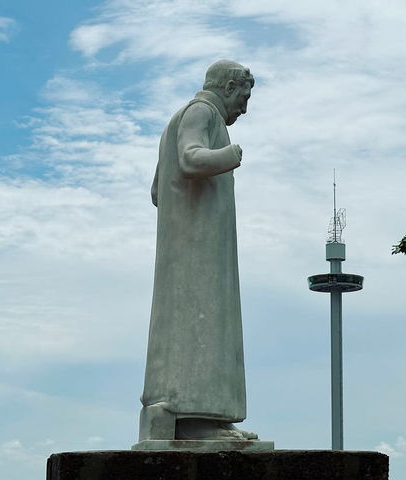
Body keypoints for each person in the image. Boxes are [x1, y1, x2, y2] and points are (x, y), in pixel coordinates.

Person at [136, 60, 255, 444]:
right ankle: (196, 416)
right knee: (203, 322)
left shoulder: (179, 117)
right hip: (199, 248)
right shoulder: (202, 112)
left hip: (190, 240)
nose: (245, 107)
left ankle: (206, 417)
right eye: (243, 96)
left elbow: (157, 190)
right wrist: (230, 156)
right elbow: (190, 158)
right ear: (229, 86)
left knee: (194, 322)